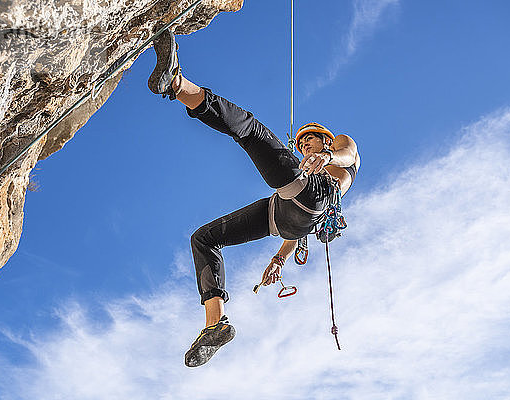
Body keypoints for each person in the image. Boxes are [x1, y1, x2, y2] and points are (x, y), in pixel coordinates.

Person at [148, 28, 360, 367]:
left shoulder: (338, 151)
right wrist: (278, 260)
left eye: (311, 141)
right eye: (301, 144)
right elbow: (296, 229)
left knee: (250, 130)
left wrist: (329, 158)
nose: (304, 146)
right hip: (285, 214)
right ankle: (214, 324)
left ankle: (178, 84)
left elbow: (348, 154)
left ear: (325, 139)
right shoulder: (301, 172)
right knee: (203, 238)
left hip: (316, 198)